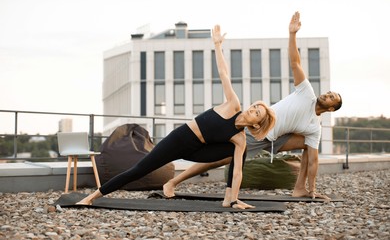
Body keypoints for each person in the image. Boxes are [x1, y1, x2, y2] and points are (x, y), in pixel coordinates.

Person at [76, 25, 276, 210]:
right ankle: (92, 196)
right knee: (138, 170)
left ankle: (230, 199)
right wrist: (217, 45)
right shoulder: (233, 105)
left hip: (198, 150)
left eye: (257, 112)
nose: (252, 109)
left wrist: (236, 197)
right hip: (180, 139)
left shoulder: (239, 139)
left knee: (239, 151)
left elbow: (239, 171)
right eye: (255, 106)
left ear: (257, 123)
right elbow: (224, 73)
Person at [162, 12, 342, 201]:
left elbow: (313, 161)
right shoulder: (307, 92)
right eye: (329, 92)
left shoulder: (315, 127)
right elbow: (295, 62)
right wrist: (292, 34)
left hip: (278, 138)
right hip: (259, 128)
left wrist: (313, 190)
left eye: (331, 97)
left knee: (309, 145)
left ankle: (301, 189)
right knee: (223, 158)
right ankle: (173, 182)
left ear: (331, 109)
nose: (327, 94)